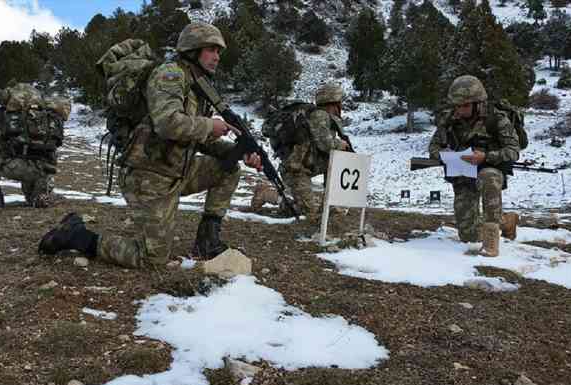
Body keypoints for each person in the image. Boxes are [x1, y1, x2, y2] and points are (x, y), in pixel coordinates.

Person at [39, 22, 262, 267]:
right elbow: (167, 123)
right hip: (148, 177)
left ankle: (207, 241)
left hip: (175, 171)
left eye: (219, 51)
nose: (217, 57)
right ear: (192, 49)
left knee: (229, 168)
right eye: (211, 49)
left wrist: (238, 153)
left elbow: (194, 136)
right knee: (152, 258)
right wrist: (210, 126)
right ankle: (76, 235)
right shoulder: (170, 74)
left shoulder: (197, 85)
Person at [428, 75, 520, 256]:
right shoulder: (449, 120)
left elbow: (513, 150)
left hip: (489, 168)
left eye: (465, 105)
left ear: (478, 103)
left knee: (488, 178)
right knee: (469, 236)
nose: (460, 109)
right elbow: (433, 146)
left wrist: (486, 156)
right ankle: (507, 221)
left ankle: (491, 242)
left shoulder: (496, 118)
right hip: (462, 172)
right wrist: (448, 156)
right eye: (457, 105)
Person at [254, 82, 350, 219]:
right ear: (335, 102)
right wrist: (342, 145)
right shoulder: (319, 116)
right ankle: (265, 193)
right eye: (340, 101)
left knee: (335, 162)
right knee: (307, 213)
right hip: (296, 170)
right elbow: (326, 144)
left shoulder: (321, 117)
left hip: (307, 167)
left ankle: (330, 205)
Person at [0, 83, 68, 208]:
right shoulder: (47, 117)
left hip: (22, 168)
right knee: (33, 201)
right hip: (46, 170)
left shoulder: (11, 117)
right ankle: (43, 195)